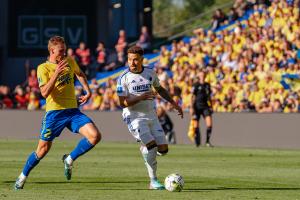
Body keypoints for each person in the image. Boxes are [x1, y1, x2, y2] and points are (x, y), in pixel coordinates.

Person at [14, 36, 102, 190]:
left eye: (65, 50)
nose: (64, 53)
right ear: (52, 51)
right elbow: (44, 93)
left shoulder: (69, 60)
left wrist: (88, 91)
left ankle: (69, 159)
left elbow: (79, 74)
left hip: (73, 111)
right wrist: (56, 73)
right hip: (55, 113)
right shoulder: (43, 68)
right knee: (42, 150)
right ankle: (22, 177)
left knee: (95, 136)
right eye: (61, 51)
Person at [117, 46, 183, 190]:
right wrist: (141, 97)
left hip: (151, 116)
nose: (132, 63)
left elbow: (160, 89)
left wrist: (173, 103)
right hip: (134, 117)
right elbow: (122, 103)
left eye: (135, 60)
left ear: (141, 59)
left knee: (163, 150)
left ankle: (146, 151)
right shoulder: (123, 78)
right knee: (152, 146)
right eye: (129, 60)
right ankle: (153, 181)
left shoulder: (150, 73)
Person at [190, 70, 213, 147]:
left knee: (209, 124)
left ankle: (207, 141)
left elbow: (209, 97)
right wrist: (191, 108)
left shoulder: (207, 85)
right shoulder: (195, 85)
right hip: (196, 107)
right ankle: (197, 142)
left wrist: (211, 106)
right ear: (199, 76)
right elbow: (192, 97)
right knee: (196, 125)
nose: (202, 76)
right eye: (201, 75)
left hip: (205, 106)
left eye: (203, 75)